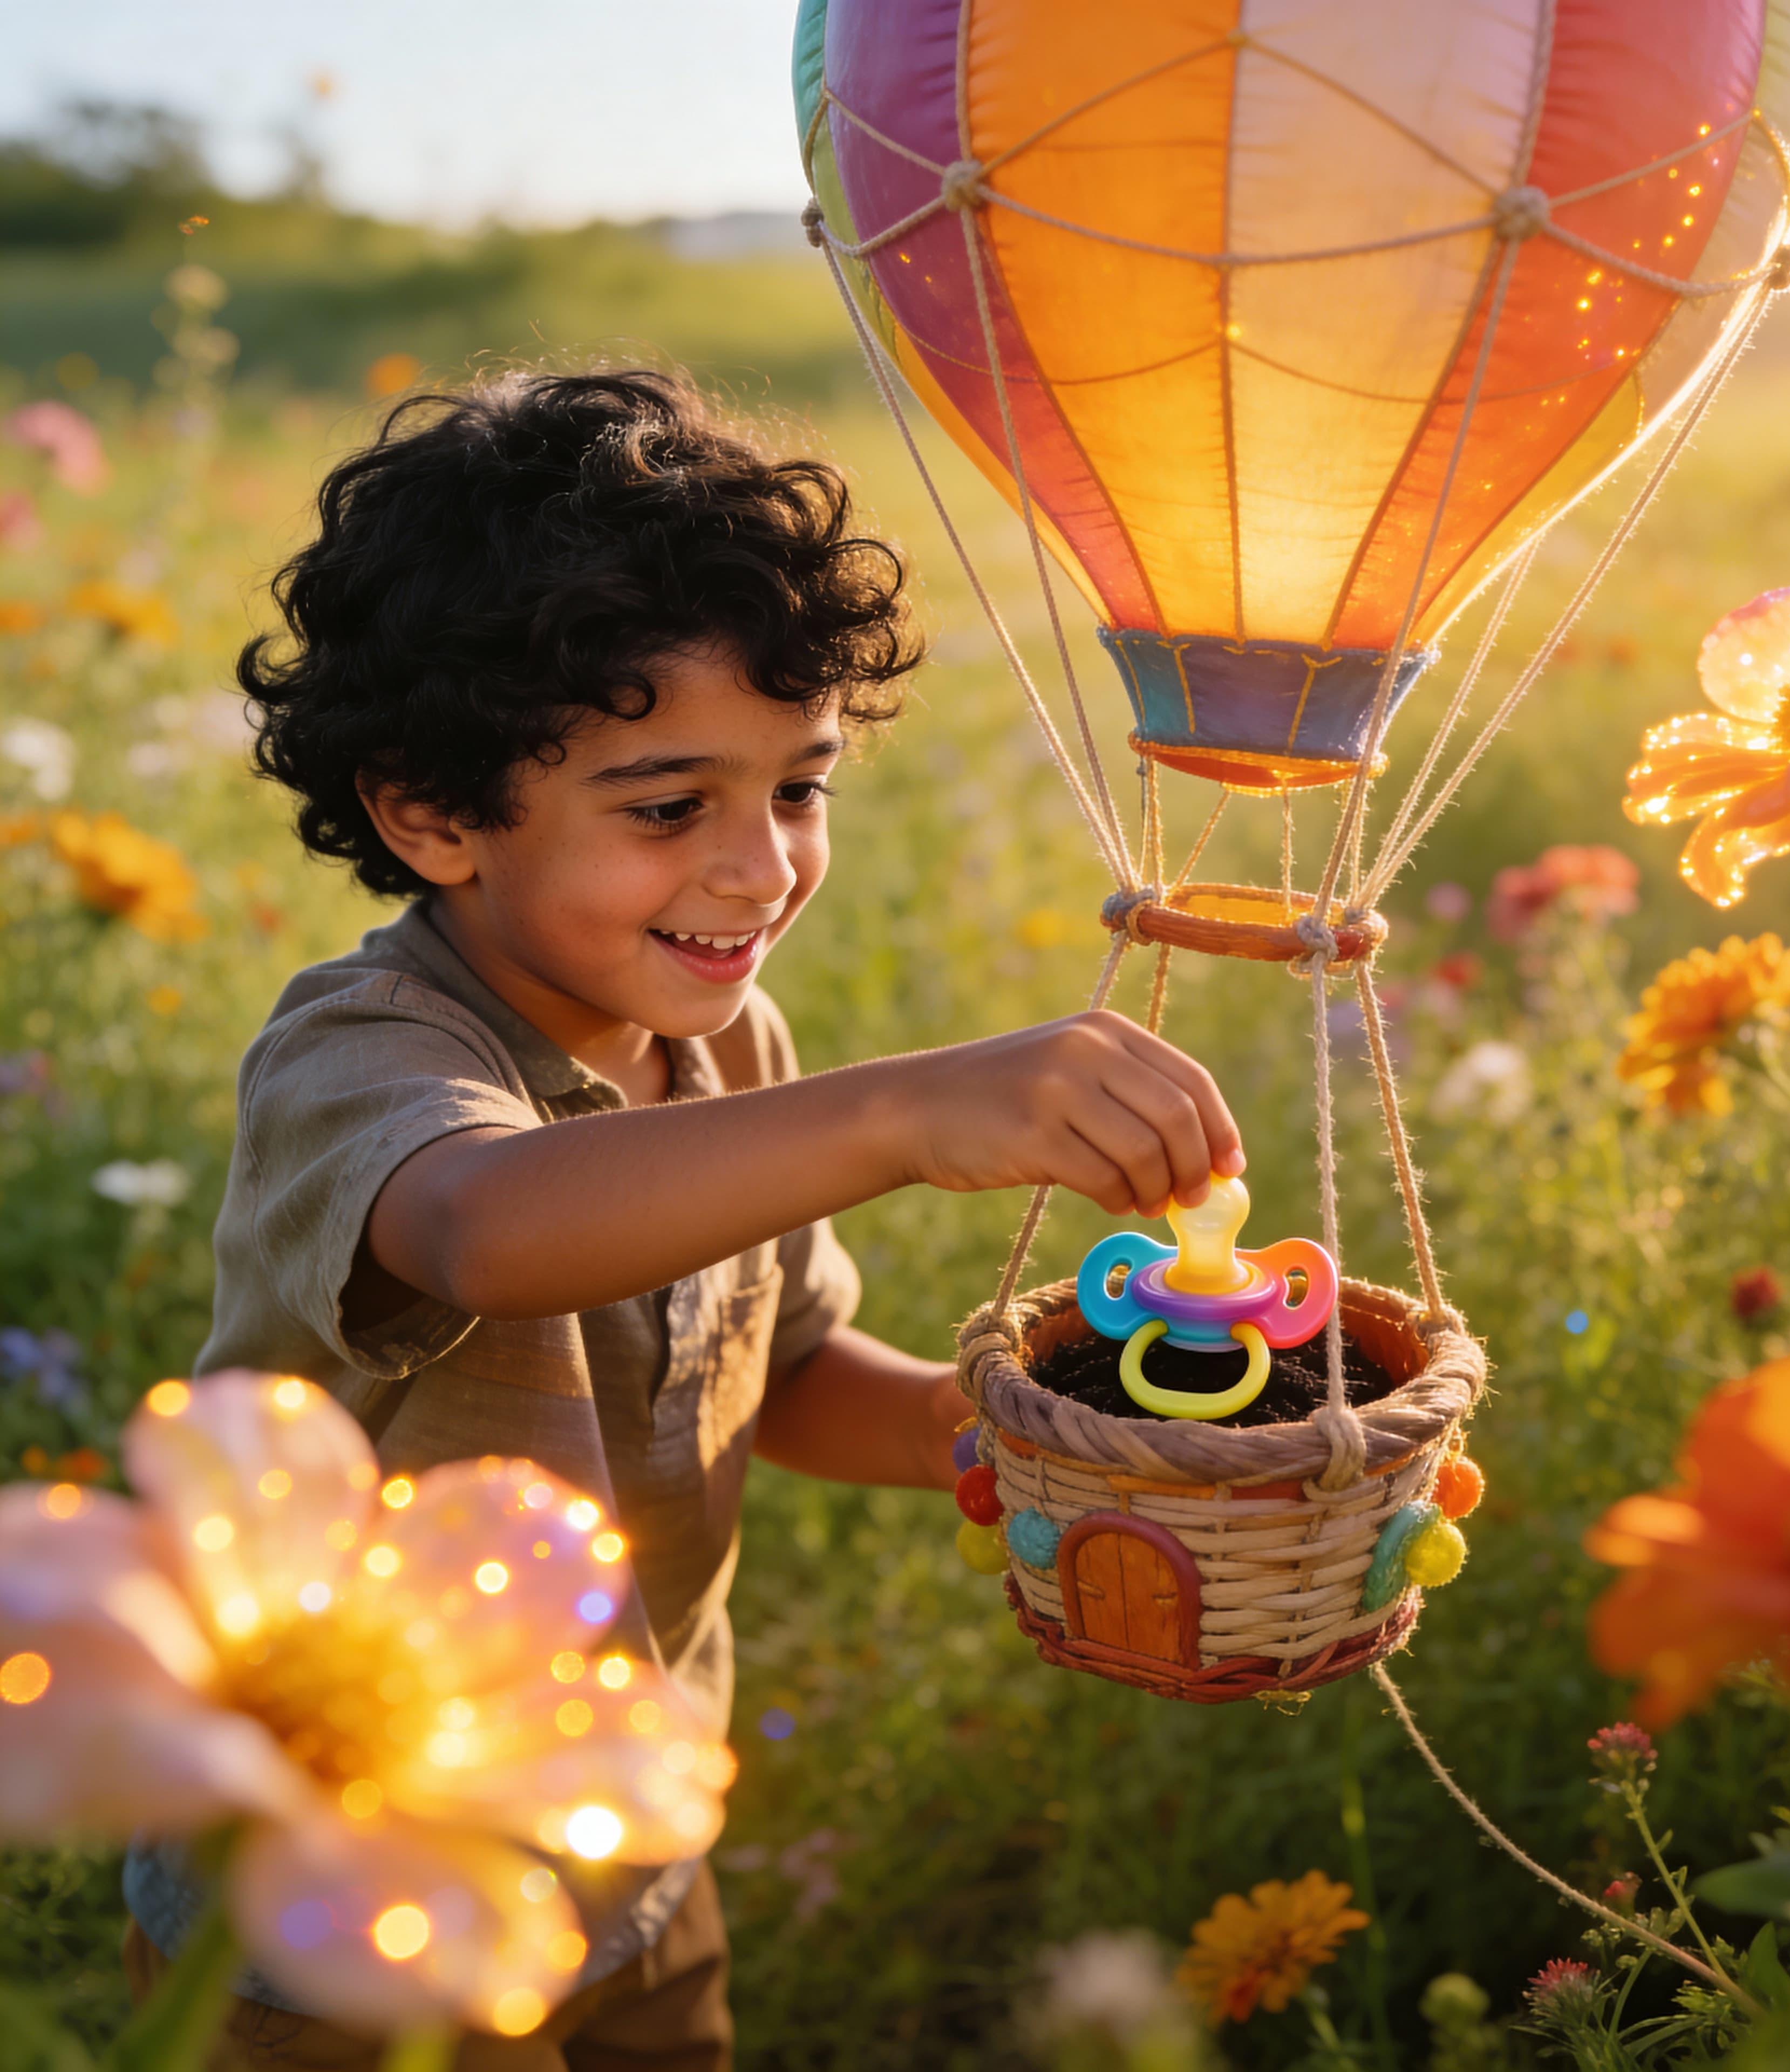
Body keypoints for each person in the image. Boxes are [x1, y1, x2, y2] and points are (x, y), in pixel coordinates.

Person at [121, 369, 1242, 2070]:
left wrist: (1002, 1435)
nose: (760, 870)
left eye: (800, 788)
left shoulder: (728, 1049)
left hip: (622, 1840)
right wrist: (901, 1110)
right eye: (668, 808)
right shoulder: (362, 1054)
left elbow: (772, 1375)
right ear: (430, 814)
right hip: (335, 1896)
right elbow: (489, 1229)